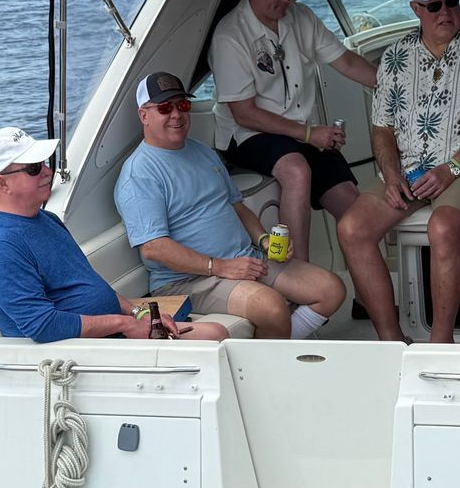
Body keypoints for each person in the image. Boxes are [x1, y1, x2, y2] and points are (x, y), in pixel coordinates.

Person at [337, 0, 460, 343]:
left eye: (452, 1)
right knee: (351, 229)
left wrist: (451, 168)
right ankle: (391, 341)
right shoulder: (396, 56)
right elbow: (382, 128)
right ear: (415, 8)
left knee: (442, 226)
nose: (446, 12)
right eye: (434, 6)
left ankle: (440, 340)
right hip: (411, 168)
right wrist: (391, 173)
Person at [116, 73, 348, 340]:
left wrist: (262, 239)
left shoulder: (202, 152)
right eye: (165, 108)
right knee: (271, 307)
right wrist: (221, 267)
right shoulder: (140, 173)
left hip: (244, 257)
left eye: (183, 105)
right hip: (188, 281)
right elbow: (154, 248)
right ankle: (275, 367)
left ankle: (282, 349)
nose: (177, 115)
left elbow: (236, 206)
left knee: (331, 289)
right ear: (144, 115)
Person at [0, 125, 227, 342]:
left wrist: (139, 314)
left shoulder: (45, 218)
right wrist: (124, 325)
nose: (48, 171)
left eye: (45, 163)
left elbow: (88, 283)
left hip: (108, 336)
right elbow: (43, 326)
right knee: (215, 336)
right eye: (34, 168)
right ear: (2, 183)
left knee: (217, 334)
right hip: (80, 354)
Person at [210, 0, 378, 262]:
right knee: (297, 171)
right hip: (246, 135)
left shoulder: (299, 17)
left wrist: (392, 85)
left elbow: (347, 63)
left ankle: (366, 296)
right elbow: (243, 113)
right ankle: (303, 283)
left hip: (302, 131)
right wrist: (308, 133)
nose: (288, 0)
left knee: (353, 206)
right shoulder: (230, 35)